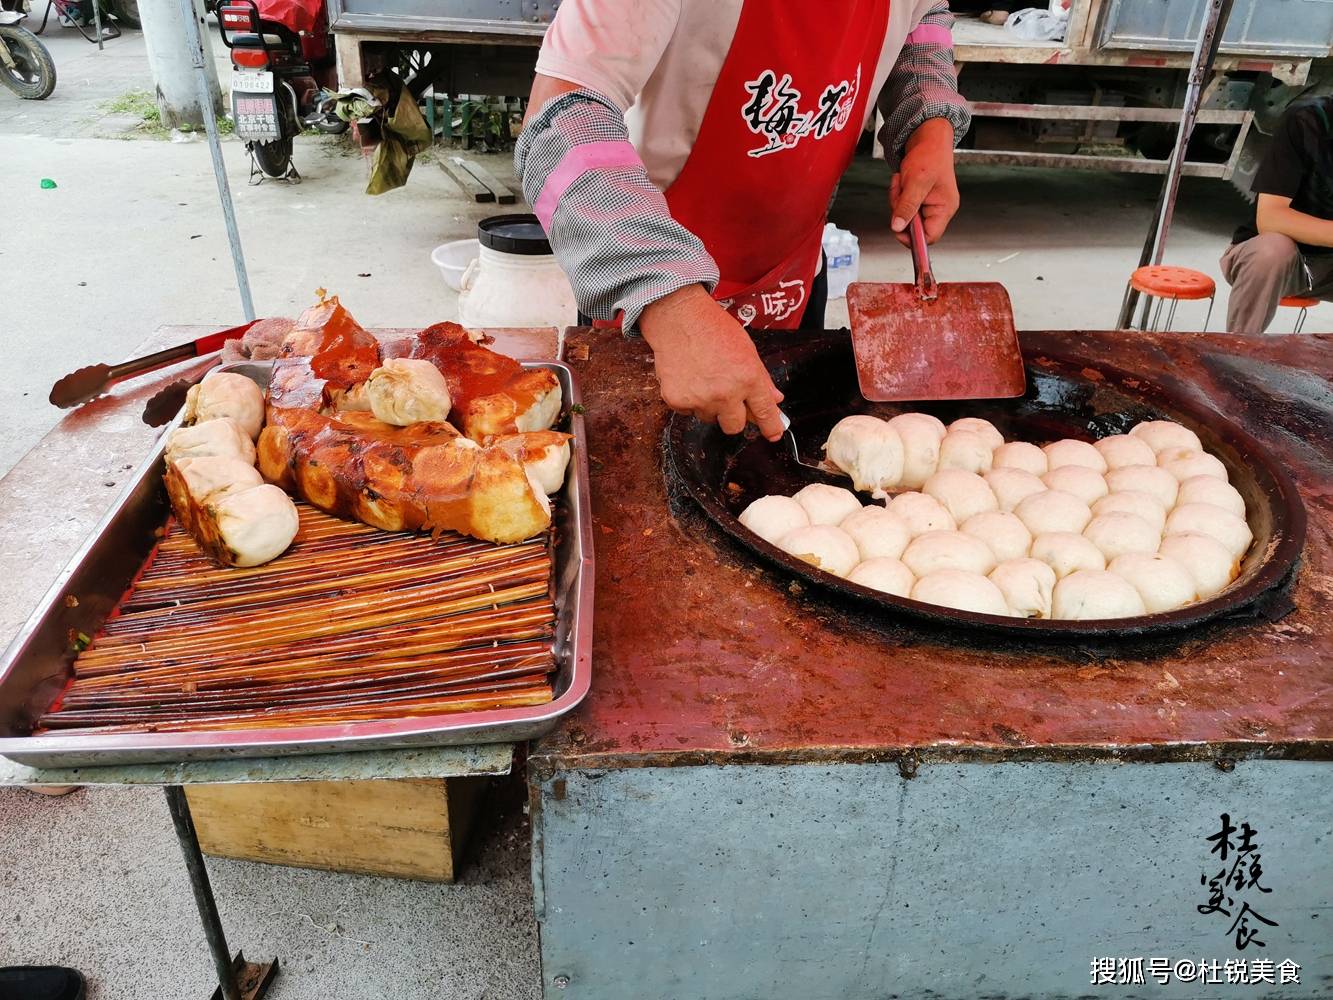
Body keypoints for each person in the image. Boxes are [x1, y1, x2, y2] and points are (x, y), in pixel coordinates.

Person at [515, 1, 971, 441]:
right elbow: (557, 119)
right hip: (643, 289)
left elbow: (922, 19)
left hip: (793, 272)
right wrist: (671, 304)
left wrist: (929, 124)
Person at [1221, 95, 1333, 334]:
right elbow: (1270, 218)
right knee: (1272, 250)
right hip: (1283, 264)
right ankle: (1238, 358)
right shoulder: (1306, 120)